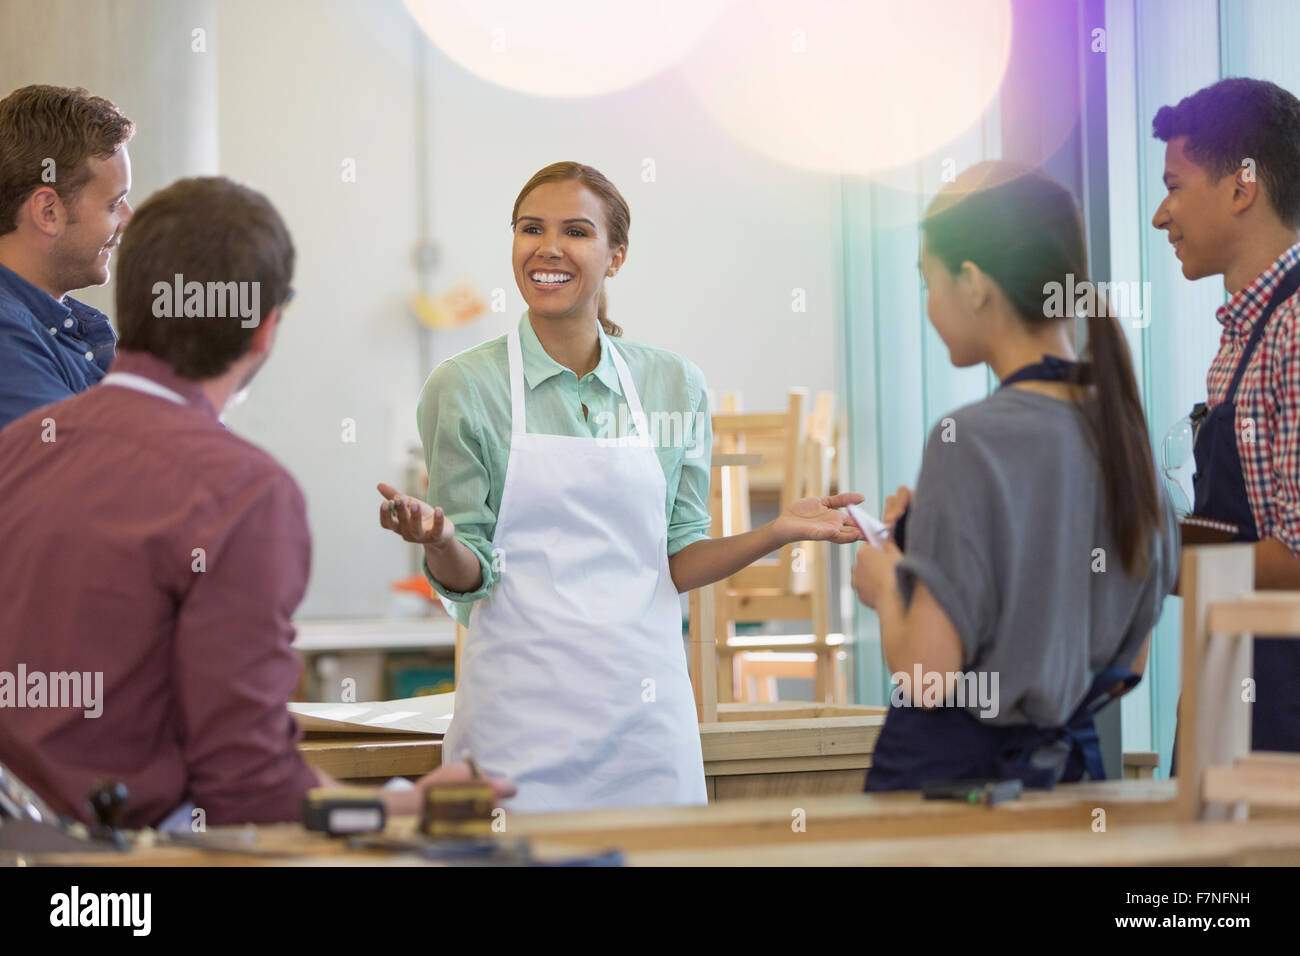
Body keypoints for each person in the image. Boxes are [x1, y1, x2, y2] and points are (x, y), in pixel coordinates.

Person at [0, 177, 508, 829]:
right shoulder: (240, 491)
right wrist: (397, 805)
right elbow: (247, 783)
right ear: (265, 330)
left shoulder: (16, 449)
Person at [378, 161, 863, 812]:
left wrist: (776, 531)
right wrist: (437, 540)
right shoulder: (465, 387)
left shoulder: (674, 385)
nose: (548, 248)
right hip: (517, 727)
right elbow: (471, 574)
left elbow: (679, 558)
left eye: (576, 232)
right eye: (531, 229)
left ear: (616, 257)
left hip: (645, 727)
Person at [852, 162, 1179, 791]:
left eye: (929, 280)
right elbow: (1128, 663)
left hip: (953, 796)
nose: (928, 304)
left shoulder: (967, 441)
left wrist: (890, 581)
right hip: (1070, 784)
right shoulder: (1125, 438)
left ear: (973, 284)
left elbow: (925, 675)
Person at [1152, 77, 1300, 754]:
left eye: (1175, 185)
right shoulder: (1245, 331)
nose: (1161, 214)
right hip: (1236, 682)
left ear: (1242, 187)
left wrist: (1152, 566)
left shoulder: (1295, 330)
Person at [0, 85, 132, 430]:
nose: (128, 220)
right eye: (114, 203)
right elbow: (93, 475)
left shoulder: (70, 326)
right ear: (48, 212)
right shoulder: (7, 340)